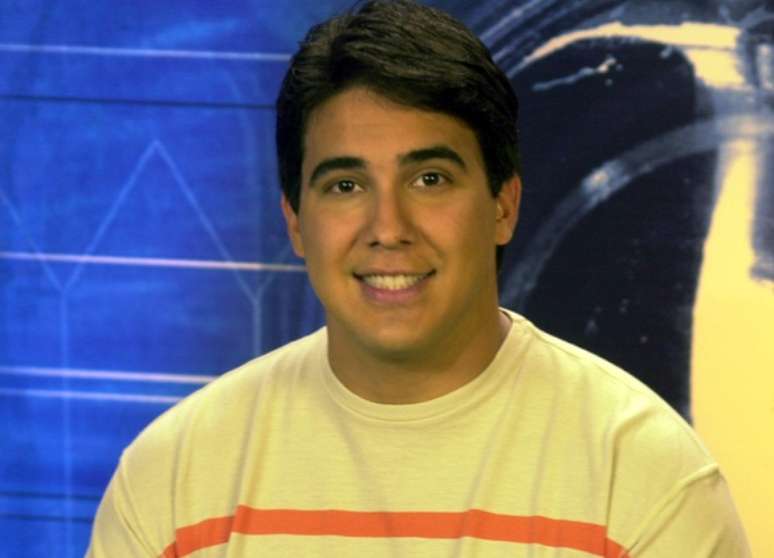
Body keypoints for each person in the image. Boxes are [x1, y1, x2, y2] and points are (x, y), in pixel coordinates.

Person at [86, 1, 751, 556]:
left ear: (503, 205)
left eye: (429, 179)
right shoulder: (175, 482)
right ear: (295, 222)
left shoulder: (643, 479)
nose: (388, 227)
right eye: (346, 185)